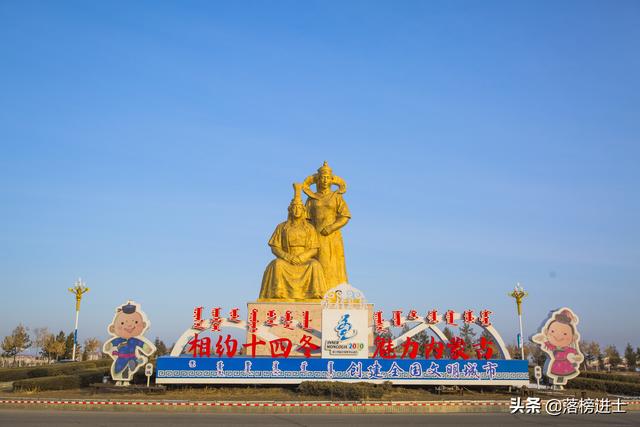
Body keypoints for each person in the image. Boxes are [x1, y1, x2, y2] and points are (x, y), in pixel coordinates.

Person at [259, 183, 327, 301]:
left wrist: (302, 257)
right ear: (290, 210)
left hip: (304, 259)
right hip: (287, 259)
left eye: (299, 208)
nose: (296, 210)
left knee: (314, 265)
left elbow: (314, 248)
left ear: (303, 210)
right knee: (277, 264)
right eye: (294, 208)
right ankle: (279, 292)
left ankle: (314, 294)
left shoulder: (309, 228)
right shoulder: (282, 227)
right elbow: (275, 247)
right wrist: (287, 256)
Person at [303, 161, 351, 289]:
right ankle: (317, 290)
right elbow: (305, 219)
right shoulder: (312, 198)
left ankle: (334, 291)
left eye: (327, 178)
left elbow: (345, 216)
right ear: (318, 180)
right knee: (316, 262)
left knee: (332, 263)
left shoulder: (337, 197)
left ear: (331, 180)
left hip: (332, 235)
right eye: (322, 178)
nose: (324, 180)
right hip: (315, 235)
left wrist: (331, 227)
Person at [102, 302, 156, 386]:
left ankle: (134, 365)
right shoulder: (118, 340)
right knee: (118, 369)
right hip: (120, 359)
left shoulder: (134, 340)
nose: (129, 325)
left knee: (129, 366)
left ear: (143, 325)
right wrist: (109, 347)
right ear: (113, 328)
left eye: (135, 322)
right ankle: (120, 380)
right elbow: (111, 345)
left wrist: (147, 349)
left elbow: (142, 344)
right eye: (123, 323)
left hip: (131, 357)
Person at [532, 308, 583, 385]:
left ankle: (558, 384)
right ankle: (556, 384)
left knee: (563, 375)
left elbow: (574, 353)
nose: (559, 337)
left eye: (565, 334)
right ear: (547, 331)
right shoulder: (552, 347)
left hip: (566, 366)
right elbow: (545, 344)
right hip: (556, 366)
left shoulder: (568, 349)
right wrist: (541, 339)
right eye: (552, 331)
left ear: (573, 336)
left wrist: (575, 358)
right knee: (557, 375)